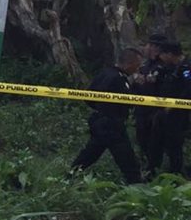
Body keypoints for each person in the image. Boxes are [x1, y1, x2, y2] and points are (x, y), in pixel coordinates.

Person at [69, 47, 145, 184]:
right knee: (126, 157)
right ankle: (137, 185)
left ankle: (69, 176)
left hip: (100, 121)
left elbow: (88, 97)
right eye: (137, 65)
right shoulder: (118, 79)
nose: (138, 69)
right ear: (129, 63)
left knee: (91, 153)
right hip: (112, 124)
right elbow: (129, 102)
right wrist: (137, 87)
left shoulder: (105, 73)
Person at [149, 41, 191, 176]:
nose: (160, 57)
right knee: (157, 141)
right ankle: (154, 169)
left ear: (170, 54)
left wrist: (173, 105)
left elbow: (187, 90)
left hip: (179, 113)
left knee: (175, 144)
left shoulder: (186, 68)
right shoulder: (168, 68)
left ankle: (177, 172)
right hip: (163, 111)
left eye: (163, 54)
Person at [133, 33, 166, 177]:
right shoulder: (145, 65)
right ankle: (147, 167)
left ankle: (154, 171)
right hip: (142, 110)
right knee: (142, 140)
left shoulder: (165, 66)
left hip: (157, 111)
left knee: (156, 143)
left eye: (153, 45)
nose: (149, 48)